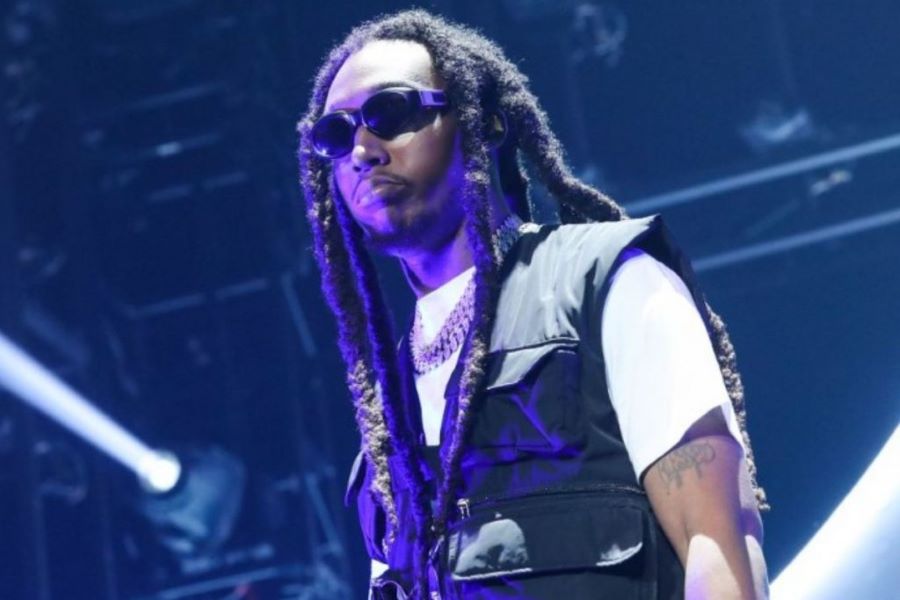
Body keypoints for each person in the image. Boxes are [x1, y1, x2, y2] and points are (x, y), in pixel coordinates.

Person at [297, 9, 768, 599]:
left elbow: (717, 538)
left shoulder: (605, 282)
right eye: (335, 136)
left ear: (483, 123)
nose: (363, 149)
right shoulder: (386, 411)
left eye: (390, 113)